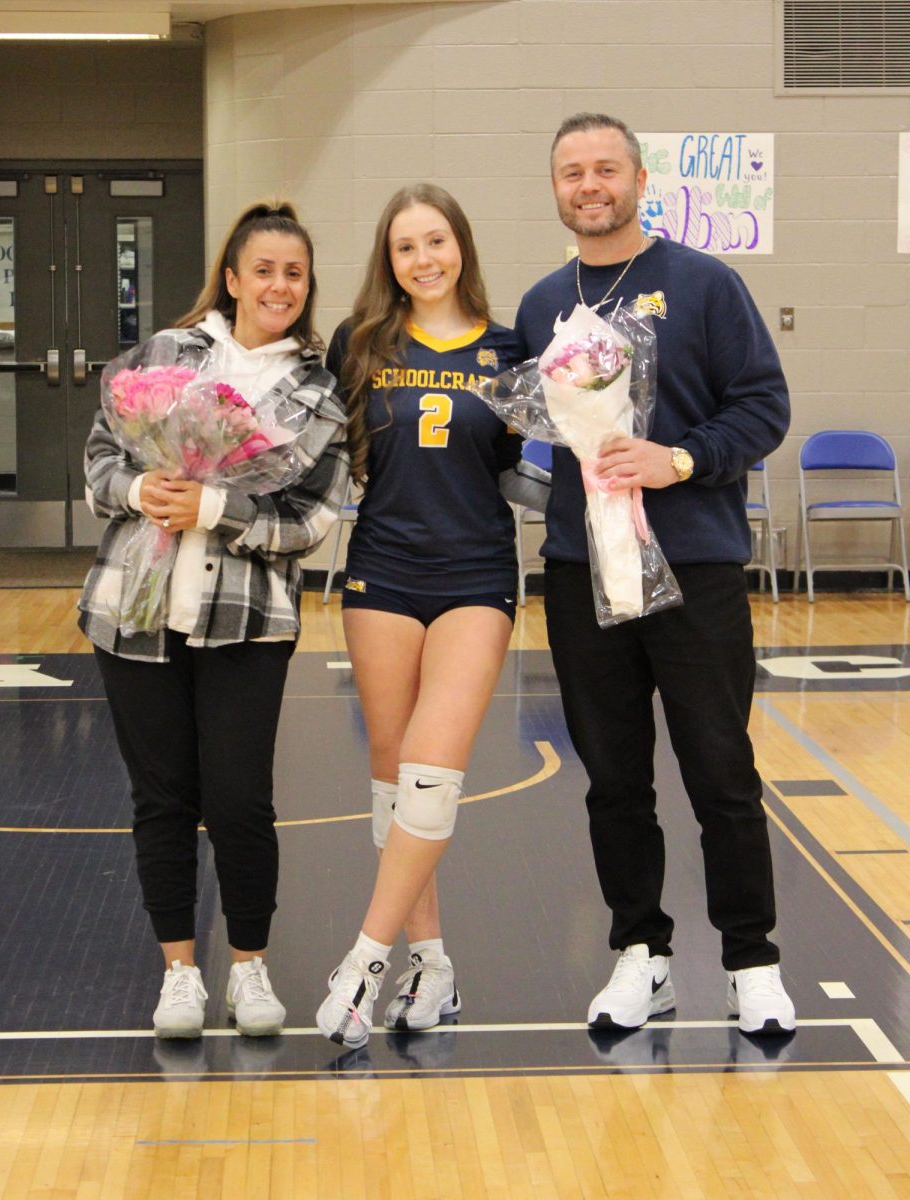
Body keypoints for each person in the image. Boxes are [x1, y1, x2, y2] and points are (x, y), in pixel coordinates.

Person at [514, 113, 796, 1036]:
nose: (588, 184)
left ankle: (751, 960)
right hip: (578, 573)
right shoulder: (540, 303)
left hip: (696, 567)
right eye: (571, 172)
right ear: (555, 187)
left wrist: (678, 460)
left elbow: (763, 407)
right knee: (613, 779)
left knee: (721, 769)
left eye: (605, 169)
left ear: (638, 179)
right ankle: (643, 954)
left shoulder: (707, 284)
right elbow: (530, 435)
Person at [79, 200, 349, 1038]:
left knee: (239, 800)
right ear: (231, 280)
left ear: (307, 288)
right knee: (161, 799)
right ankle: (180, 975)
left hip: (249, 621)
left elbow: (308, 523)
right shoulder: (162, 355)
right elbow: (98, 464)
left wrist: (214, 508)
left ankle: (250, 970)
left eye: (293, 273)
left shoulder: (318, 392)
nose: (278, 284)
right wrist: (138, 490)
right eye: (262, 269)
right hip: (135, 610)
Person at [316, 183, 547, 1048]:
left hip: (476, 574)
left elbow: (522, 470)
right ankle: (433, 963)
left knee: (431, 770)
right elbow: (324, 451)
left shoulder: (507, 347)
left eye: (437, 241)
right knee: (391, 780)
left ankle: (363, 964)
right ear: (390, 260)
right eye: (406, 246)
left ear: (462, 247)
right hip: (382, 570)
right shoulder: (361, 344)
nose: (424, 259)